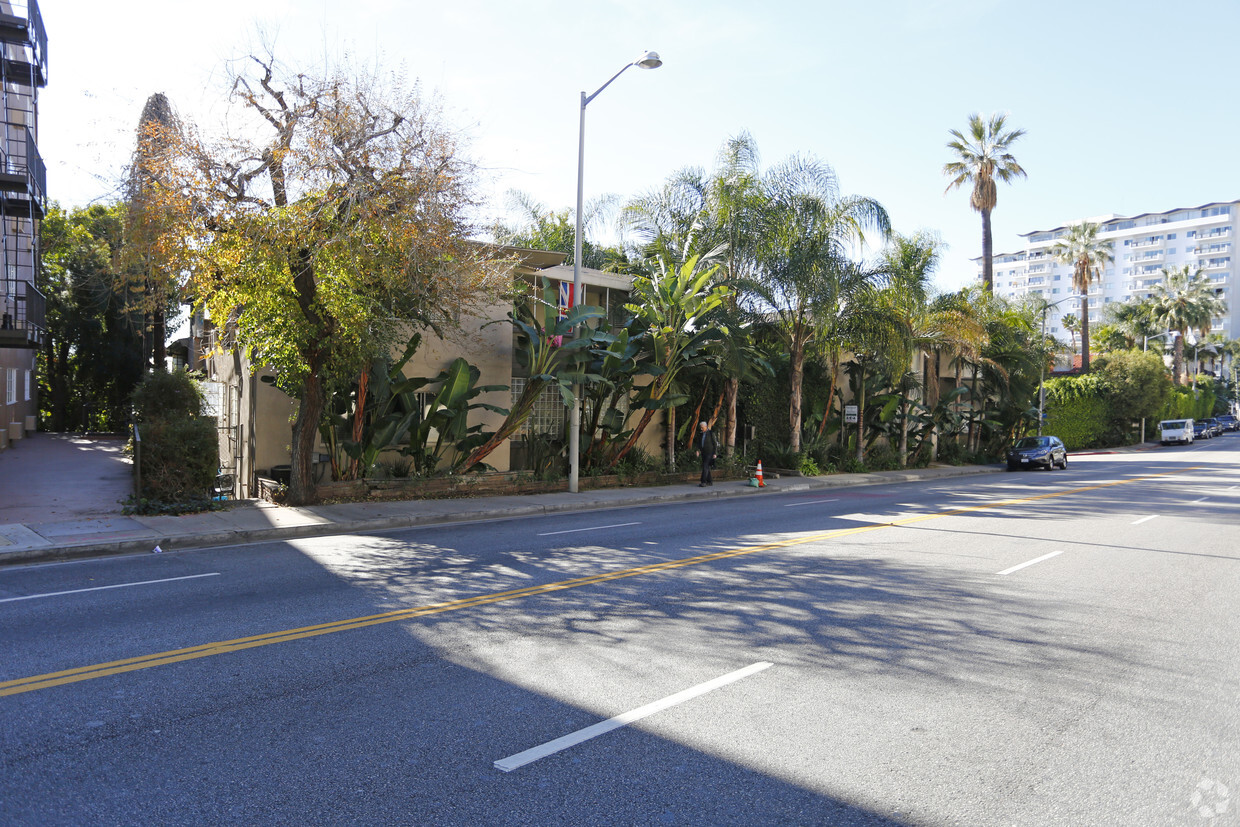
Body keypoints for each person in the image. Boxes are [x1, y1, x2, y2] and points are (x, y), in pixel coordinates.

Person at [696, 420, 718, 487]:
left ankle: (703, 481)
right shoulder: (701, 434)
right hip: (703, 452)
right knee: (707, 467)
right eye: (701, 427)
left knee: (705, 466)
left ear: (706, 426)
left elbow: (715, 443)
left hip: (710, 452)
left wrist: (715, 453)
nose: (701, 428)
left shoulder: (711, 433)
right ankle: (709, 481)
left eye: (702, 427)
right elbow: (699, 443)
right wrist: (698, 450)